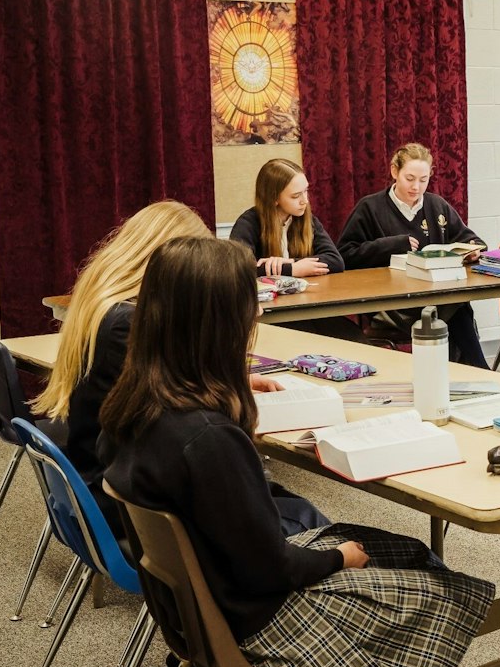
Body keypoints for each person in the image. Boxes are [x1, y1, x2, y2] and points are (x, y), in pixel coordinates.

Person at [101, 237, 494, 667]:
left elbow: (246, 541)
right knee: (448, 590)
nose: (258, 312)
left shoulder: (139, 403)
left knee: (404, 549)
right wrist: (340, 559)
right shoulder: (207, 439)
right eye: (249, 303)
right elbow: (273, 567)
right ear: (222, 321)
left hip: (203, 604)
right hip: (255, 616)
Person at [32, 201, 328, 540]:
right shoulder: (126, 324)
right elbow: (177, 417)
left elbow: (155, 383)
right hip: (129, 499)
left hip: (107, 476)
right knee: (304, 518)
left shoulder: (105, 303)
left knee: (278, 501)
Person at [338, 142, 489, 367]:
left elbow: (471, 240)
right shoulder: (370, 208)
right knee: (455, 309)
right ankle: (477, 370)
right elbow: (345, 255)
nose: (416, 187)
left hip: (435, 298)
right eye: (409, 178)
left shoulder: (437, 206)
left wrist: (472, 251)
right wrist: (393, 245)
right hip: (392, 304)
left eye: (423, 180)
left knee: (457, 304)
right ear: (394, 172)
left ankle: (468, 372)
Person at [228, 158, 344, 278]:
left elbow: (335, 261)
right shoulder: (249, 223)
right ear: (274, 199)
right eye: (296, 196)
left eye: (305, 191)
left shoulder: (308, 220)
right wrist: (291, 270)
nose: (305, 201)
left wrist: (291, 262)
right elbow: (238, 268)